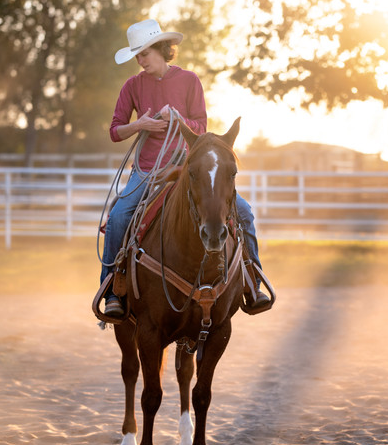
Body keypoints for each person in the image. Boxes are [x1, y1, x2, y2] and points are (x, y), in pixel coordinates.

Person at [101, 19, 270, 317]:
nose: (140, 61)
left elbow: (201, 126)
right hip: (147, 169)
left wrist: (177, 119)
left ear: (162, 49)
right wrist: (140, 124)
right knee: (118, 216)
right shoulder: (133, 86)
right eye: (137, 56)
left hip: (187, 167)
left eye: (144, 54)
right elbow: (115, 131)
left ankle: (252, 280)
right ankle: (112, 290)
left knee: (243, 211)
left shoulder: (189, 80)